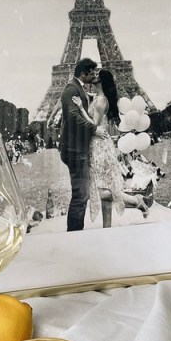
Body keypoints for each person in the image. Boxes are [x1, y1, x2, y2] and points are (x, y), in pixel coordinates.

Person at [72, 68, 150, 226]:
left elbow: (93, 124)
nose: (92, 75)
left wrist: (80, 108)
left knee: (100, 191)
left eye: (96, 75)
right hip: (99, 144)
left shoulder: (101, 100)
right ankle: (107, 229)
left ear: (100, 81)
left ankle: (135, 200)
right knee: (104, 190)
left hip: (99, 146)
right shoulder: (99, 98)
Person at [58, 58, 107, 232]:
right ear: (83, 73)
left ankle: (75, 232)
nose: (94, 75)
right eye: (92, 72)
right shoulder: (72, 89)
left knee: (81, 195)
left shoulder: (78, 89)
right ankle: (74, 235)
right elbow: (73, 117)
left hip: (76, 149)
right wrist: (94, 129)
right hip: (76, 150)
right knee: (81, 196)